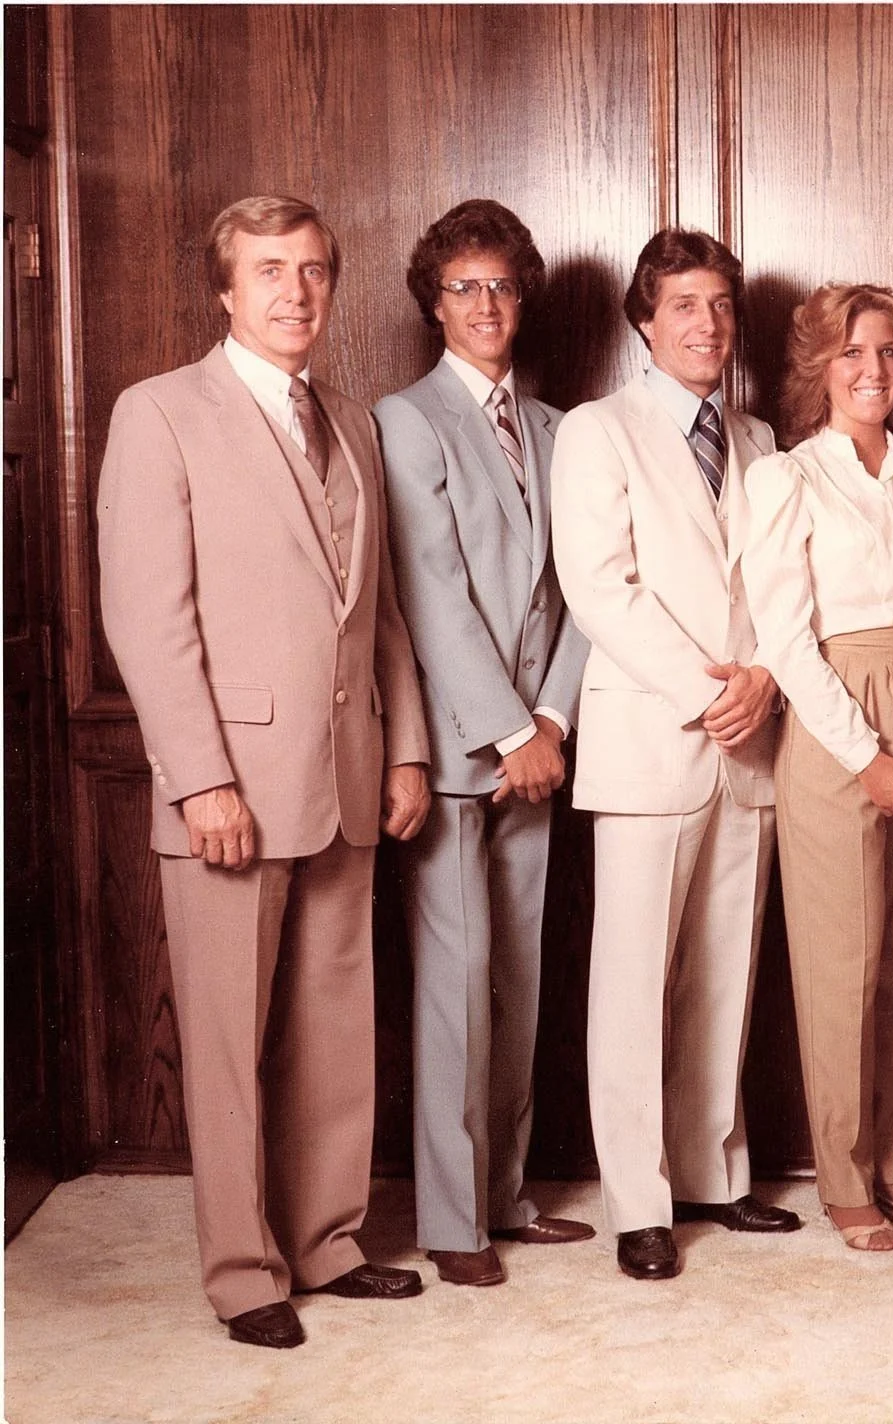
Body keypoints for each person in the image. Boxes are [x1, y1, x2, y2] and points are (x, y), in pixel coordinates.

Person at [95, 196, 431, 1347]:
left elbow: (380, 612)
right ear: (225, 290)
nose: (297, 290)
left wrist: (404, 746)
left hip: (345, 773)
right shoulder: (161, 412)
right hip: (230, 783)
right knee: (230, 1045)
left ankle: (327, 1241)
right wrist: (200, 781)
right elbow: (148, 618)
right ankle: (244, 1272)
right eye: (271, 270)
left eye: (315, 269)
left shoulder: (351, 421)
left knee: (334, 1029)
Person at [549, 228, 799, 1282]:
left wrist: (765, 678)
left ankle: (712, 1169)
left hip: (751, 741)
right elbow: (599, 588)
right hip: (655, 737)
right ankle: (638, 1201)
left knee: (724, 966)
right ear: (645, 322)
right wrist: (713, 693)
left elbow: (784, 584)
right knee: (632, 978)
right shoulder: (598, 431)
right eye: (684, 305)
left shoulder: (759, 437)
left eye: (721, 305)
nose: (707, 323)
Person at [375, 200, 594, 1289]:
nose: (485, 304)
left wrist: (552, 721)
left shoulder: (557, 428)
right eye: (463, 287)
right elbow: (431, 591)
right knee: (456, 992)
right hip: (464, 754)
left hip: (536, 753)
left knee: (517, 985)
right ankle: (453, 1220)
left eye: (501, 285)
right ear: (434, 303)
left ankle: (506, 1195)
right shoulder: (407, 419)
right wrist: (511, 728)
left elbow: (583, 589)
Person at [741, 283, 893, 1251]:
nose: (871, 369)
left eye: (886, 351)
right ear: (820, 369)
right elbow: (785, 639)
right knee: (843, 961)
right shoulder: (788, 478)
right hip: (837, 714)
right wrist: (868, 757)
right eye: (850, 352)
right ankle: (844, 1177)